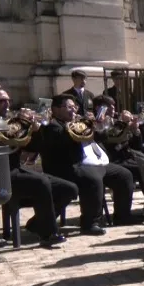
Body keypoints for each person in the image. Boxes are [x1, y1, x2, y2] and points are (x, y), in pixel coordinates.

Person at [0, 87, 77, 247]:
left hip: (16, 169)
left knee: (69, 188)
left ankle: (37, 224)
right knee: (41, 183)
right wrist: (14, 128)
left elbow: (34, 147)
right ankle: (49, 233)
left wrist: (34, 130)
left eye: (9, 101)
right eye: (2, 101)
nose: (7, 104)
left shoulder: (9, 120)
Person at [37, 93, 138, 235]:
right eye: (69, 107)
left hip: (88, 163)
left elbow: (100, 137)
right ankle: (89, 223)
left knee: (124, 174)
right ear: (56, 109)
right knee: (92, 180)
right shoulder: (51, 126)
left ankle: (122, 216)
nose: (74, 110)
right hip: (66, 167)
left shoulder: (75, 122)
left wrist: (97, 125)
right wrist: (81, 125)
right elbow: (66, 140)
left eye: (75, 107)